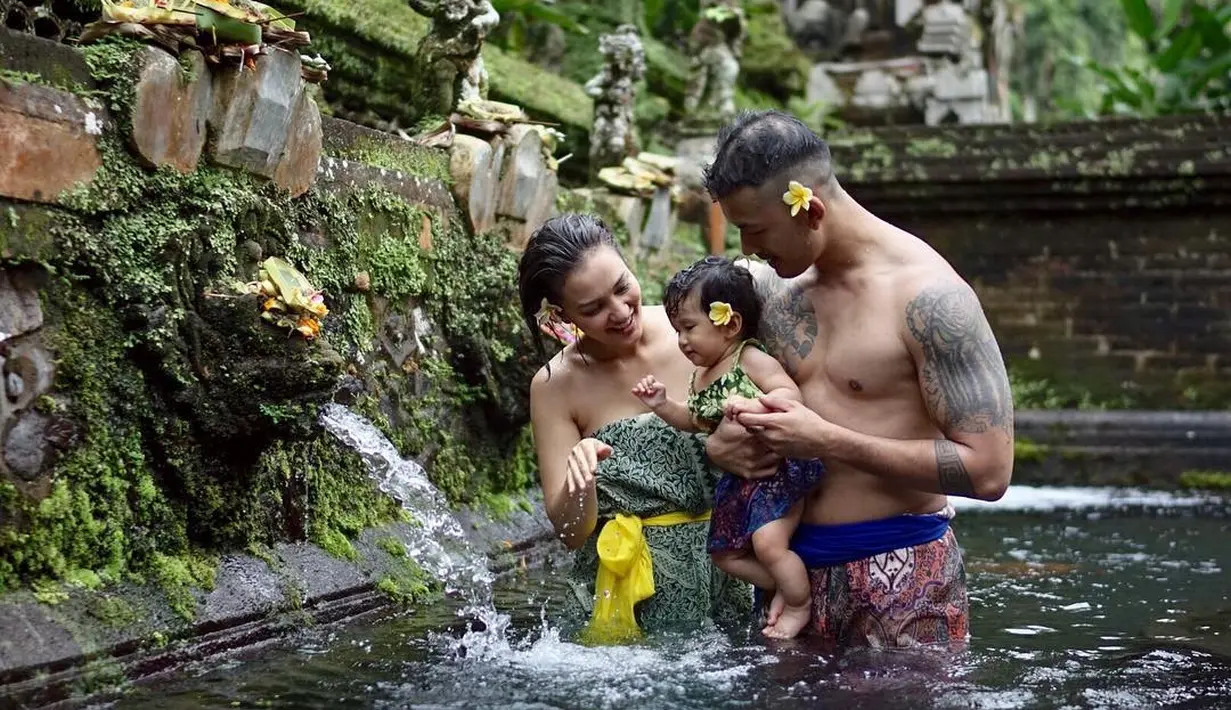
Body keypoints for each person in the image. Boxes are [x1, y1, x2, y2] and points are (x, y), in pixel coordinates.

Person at [701, 109, 1015, 649]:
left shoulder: (930, 300)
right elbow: (700, 371)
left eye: (755, 229)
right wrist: (721, 444)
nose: (747, 249)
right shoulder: (772, 291)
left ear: (810, 210)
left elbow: (990, 471)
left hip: (901, 574)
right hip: (785, 577)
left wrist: (825, 440)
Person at [517, 213, 752, 645]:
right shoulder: (556, 386)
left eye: (623, 287)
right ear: (561, 314)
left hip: (730, 567)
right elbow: (570, 535)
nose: (621, 312)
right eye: (593, 309)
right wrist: (581, 482)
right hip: (629, 595)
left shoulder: (697, 333)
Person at [630, 255, 824, 639]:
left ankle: (800, 602)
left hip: (776, 473)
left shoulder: (747, 358)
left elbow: (790, 394)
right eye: (676, 330)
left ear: (730, 323)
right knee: (724, 554)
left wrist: (757, 406)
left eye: (689, 328)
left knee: (768, 544)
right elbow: (695, 421)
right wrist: (662, 405)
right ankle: (788, 581)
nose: (682, 341)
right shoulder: (701, 376)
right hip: (740, 483)